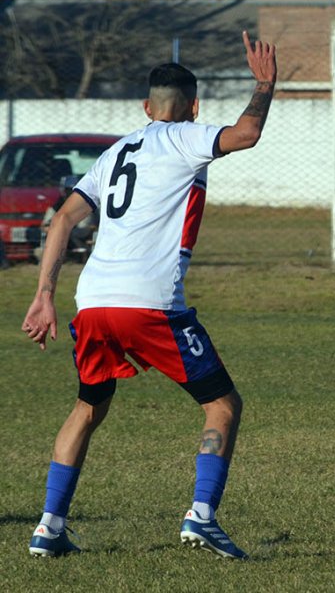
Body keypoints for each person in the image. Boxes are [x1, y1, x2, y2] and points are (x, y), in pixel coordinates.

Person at [21, 31, 276, 559]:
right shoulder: (184, 137)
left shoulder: (114, 153)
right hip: (149, 303)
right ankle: (201, 516)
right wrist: (264, 84)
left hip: (93, 302)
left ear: (144, 106)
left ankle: (48, 525)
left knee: (88, 406)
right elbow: (247, 133)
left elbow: (64, 217)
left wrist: (45, 294)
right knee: (223, 404)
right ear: (194, 108)